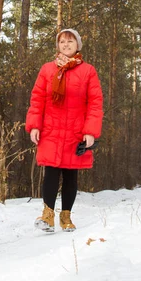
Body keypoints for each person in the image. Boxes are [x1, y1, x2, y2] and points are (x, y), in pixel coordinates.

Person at [26, 28, 103, 233]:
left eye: (70, 41)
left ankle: (66, 216)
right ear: (57, 46)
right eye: (62, 42)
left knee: (70, 175)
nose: (66, 45)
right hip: (50, 130)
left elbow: (95, 103)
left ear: (77, 45)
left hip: (76, 132)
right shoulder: (47, 70)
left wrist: (90, 131)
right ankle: (47, 215)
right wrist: (34, 125)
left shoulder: (88, 71)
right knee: (51, 171)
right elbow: (37, 99)